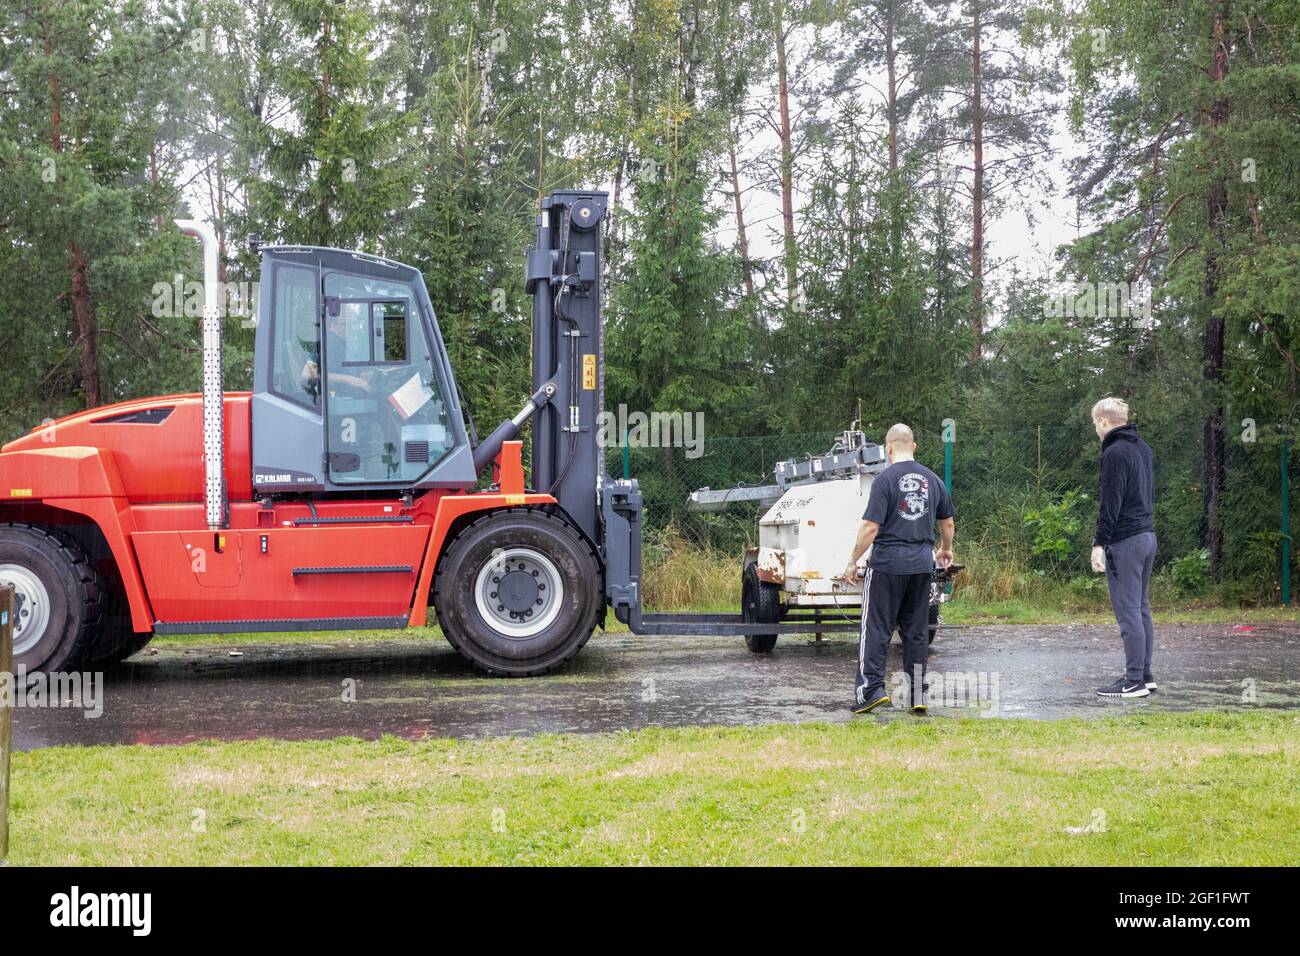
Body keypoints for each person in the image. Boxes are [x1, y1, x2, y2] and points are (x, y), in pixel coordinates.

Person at [841, 423, 955, 715]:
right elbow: (948, 522)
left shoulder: (885, 480)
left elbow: (870, 527)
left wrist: (853, 560)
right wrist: (945, 549)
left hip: (887, 565)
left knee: (876, 628)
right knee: (916, 631)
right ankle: (917, 694)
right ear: (913, 446)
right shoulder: (933, 479)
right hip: (921, 566)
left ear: (888, 448)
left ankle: (870, 690)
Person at [1089, 397, 1158, 699]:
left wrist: (1099, 543)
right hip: (1147, 536)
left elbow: (1110, 503)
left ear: (1103, 421)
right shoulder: (1142, 448)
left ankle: (1133, 681)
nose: (1096, 430)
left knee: (1128, 612)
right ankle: (1145, 674)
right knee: (1141, 609)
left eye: (1095, 424)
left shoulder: (1115, 453)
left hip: (1126, 540)